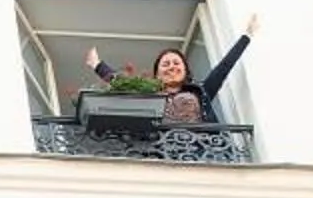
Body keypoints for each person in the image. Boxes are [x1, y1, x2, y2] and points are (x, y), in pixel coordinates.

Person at [83, 14, 259, 123]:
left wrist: (247, 36)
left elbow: (223, 68)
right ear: (157, 74)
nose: (171, 67)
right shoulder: (149, 94)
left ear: (185, 70)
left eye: (176, 63)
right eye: (165, 64)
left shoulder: (200, 91)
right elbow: (123, 84)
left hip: (204, 154)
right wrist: (97, 65)